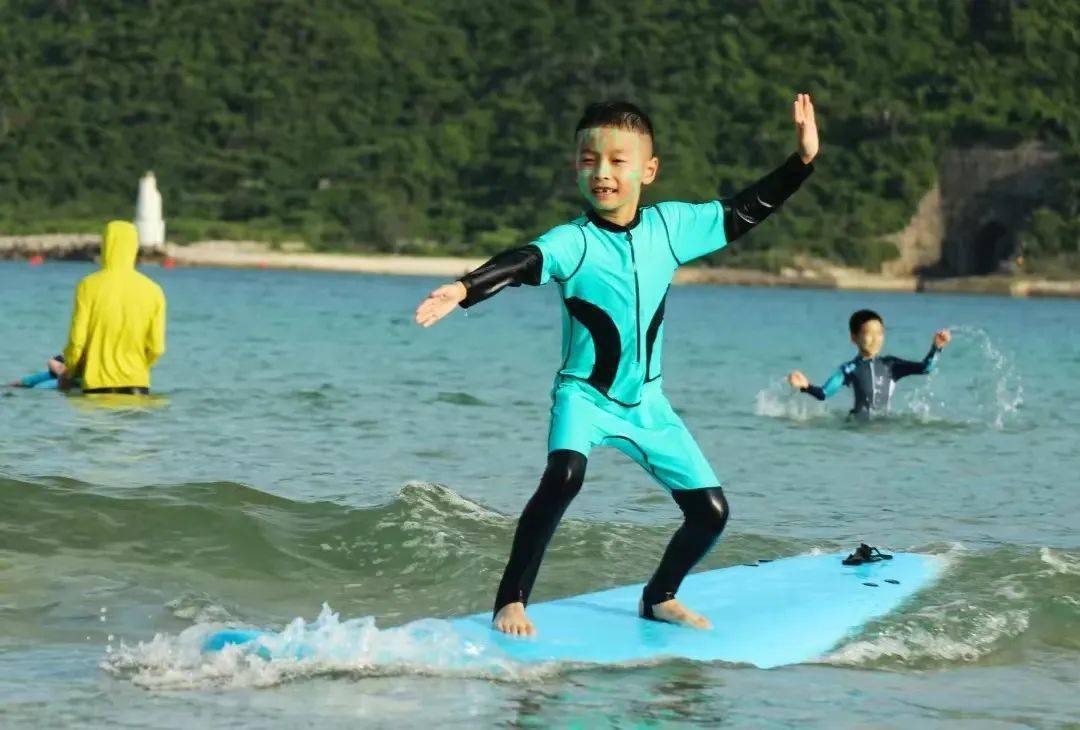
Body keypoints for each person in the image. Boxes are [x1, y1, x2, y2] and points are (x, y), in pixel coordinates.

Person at [414, 95, 819, 636]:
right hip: (583, 396)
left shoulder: (672, 228)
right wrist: (465, 288)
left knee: (711, 513)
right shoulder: (572, 242)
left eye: (617, 160)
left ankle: (659, 597)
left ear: (648, 170)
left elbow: (745, 209)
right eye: (588, 160)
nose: (601, 172)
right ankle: (511, 600)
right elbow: (522, 262)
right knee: (564, 476)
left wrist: (802, 162)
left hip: (648, 404)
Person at [59, 220, 167, 394]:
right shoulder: (154, 290)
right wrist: (139, 367)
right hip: (137, 386)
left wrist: (69, 371)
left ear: (105, 245)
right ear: (134, 247)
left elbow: (77, 341)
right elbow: (157, 347)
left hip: (96, 386)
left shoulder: (88, 285)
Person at [787, 309, 950, 416]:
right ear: (854, 337)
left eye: (879, 333)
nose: (875, 339)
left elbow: (925, 368)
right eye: (868, 333)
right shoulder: (848, 369)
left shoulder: (891, 365)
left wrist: (936, 348)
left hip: (884, 427)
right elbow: (824, 393)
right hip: (856, 428)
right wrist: (806, 386)